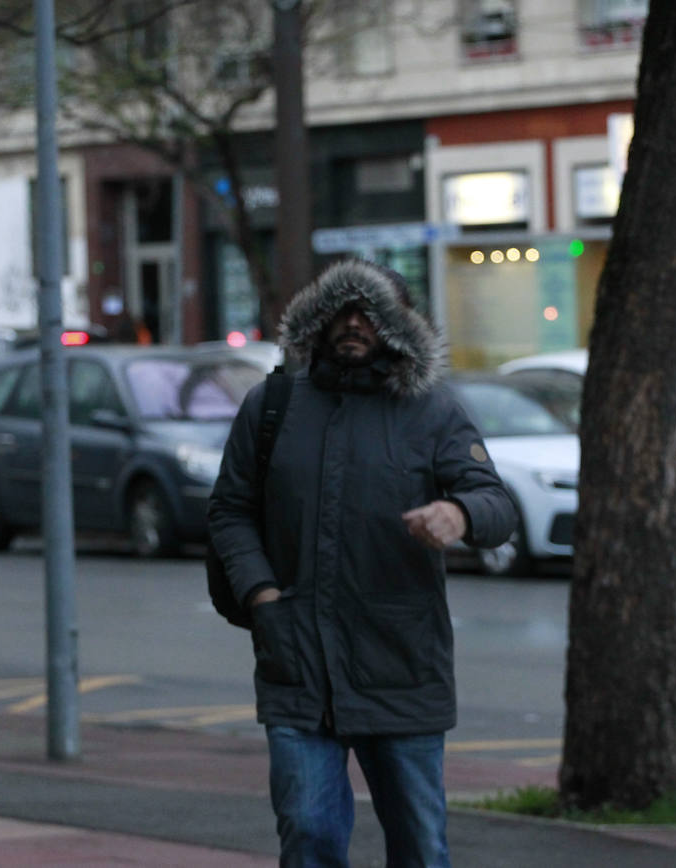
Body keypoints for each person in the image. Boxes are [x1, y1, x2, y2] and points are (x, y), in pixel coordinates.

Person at [208, 259, 517, 867]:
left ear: (397, 325)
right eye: (341, 311)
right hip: (296, 662)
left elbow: (496, 502)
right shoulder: (271, 404)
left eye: (369, 313)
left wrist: (459, 514)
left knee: (420, 849)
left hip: (400, 667)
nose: (353, 324)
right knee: (309, 835)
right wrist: (261, 595)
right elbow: (229, 512)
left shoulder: (433, 411)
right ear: (317, 321)